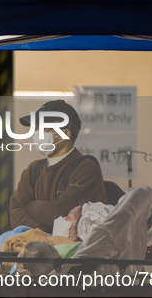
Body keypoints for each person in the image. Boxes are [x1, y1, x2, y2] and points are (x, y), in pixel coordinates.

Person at [9, 99, 107, 233]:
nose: (37, 133)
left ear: (66, 134)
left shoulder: (86, 168)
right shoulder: (33, 169)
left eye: (45, 128)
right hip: (38, 247)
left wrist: (31, 206)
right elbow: (16, 213)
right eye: (36, 128)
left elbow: (59, 213)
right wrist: (46, 234)